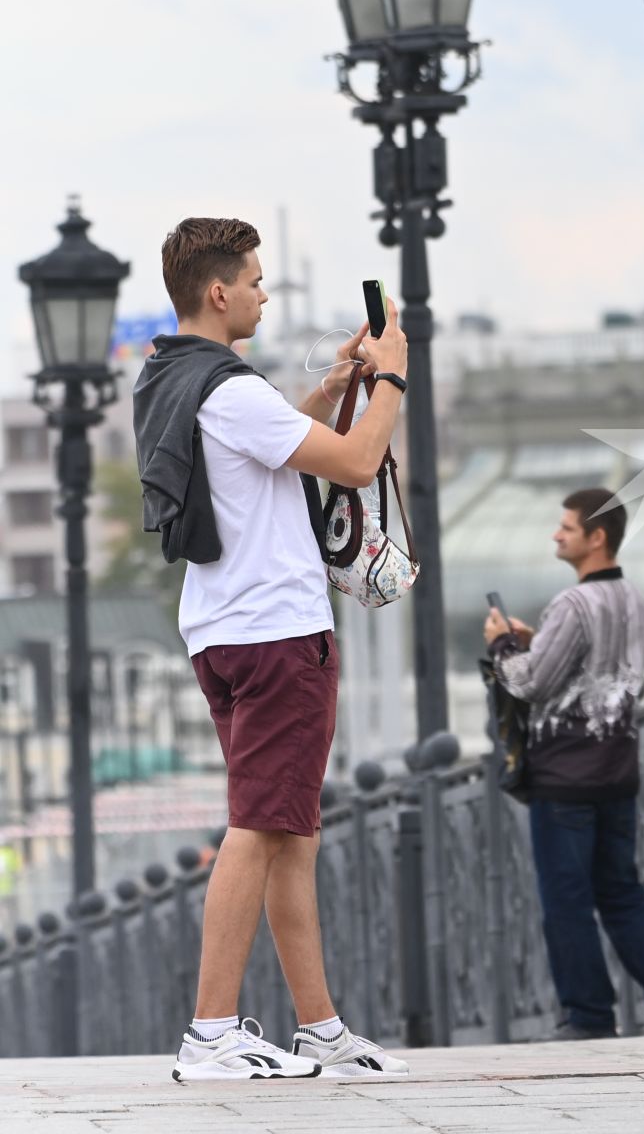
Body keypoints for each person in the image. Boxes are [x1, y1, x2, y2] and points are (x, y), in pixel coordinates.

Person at [133, 217, 411, 1079]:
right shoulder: (231, 389)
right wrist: (393, 372)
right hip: (279, 635)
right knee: (258, 826)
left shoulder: (171, 378)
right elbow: (360, 464)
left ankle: (319, 1026)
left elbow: (263, 451)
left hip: (221, 631)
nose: (263, 292)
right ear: (219, 292)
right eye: (254, 279)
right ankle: (211, 1032)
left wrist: (331, 390)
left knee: (290, 829)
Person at [483, 489, 644, 1038]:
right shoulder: (638, 602)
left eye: (566, 527)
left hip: (564, 775)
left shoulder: (572, 604)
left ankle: (588, 1016)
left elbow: (531, 683)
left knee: (568, 901)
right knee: (621, 890)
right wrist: (540, 644)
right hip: (617, 767)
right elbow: (598, 670)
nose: (557, 535)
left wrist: (501, 648)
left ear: (596, 537)